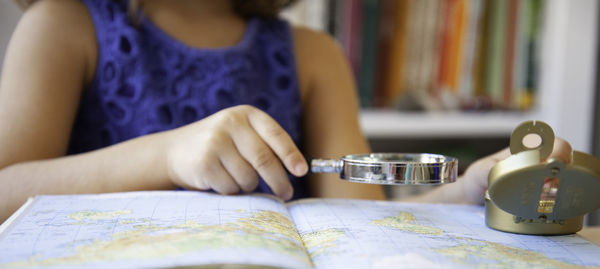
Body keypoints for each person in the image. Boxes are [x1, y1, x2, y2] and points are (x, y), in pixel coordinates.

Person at [0, 0, 571, 222]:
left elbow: (363, 223)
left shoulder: (312, 55)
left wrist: (467, 192)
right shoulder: (62, 25)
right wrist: (168, 153)